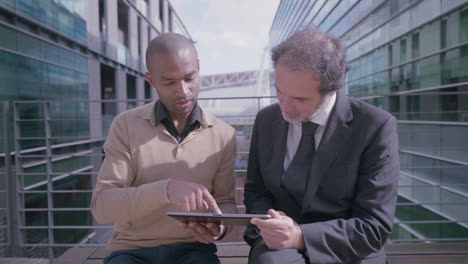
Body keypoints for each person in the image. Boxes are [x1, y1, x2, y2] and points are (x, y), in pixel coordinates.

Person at [244, 28, 400, 264]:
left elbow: (373, 226)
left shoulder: (375, 127)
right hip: (280, 249)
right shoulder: (266, 120)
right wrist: (270, 222)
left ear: (333, 89)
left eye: (300, 99)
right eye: (279, 91)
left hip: (347, 247)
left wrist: (300, 236)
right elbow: (257, 190)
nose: (284, 106)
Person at [91, 32, 237, 264]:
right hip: (131, 251)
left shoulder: (224, 134)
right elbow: (103, 206)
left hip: (193, 251)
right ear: (151, 79)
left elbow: (225, 202)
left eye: (190, 78)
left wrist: (220, 228)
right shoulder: (125, 125)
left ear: (198, 68)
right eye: (169, 82)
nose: (183, 91)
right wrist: (166, 190)